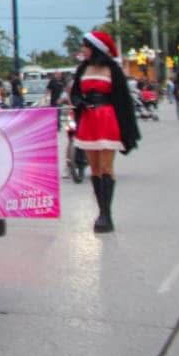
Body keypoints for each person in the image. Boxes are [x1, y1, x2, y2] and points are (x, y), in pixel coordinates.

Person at [71, 30, 140, 233]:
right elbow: (75, 92)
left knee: (106, 167)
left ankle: (106, 214)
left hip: (107, 119)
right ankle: (101, 210)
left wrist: (126, 129)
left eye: (85, 46)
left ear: (95, 48)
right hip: (88, 120)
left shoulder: (112, 69)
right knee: (94, 169)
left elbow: (123, 99)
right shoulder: (83, 68)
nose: (83, 49)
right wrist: (79, 102)